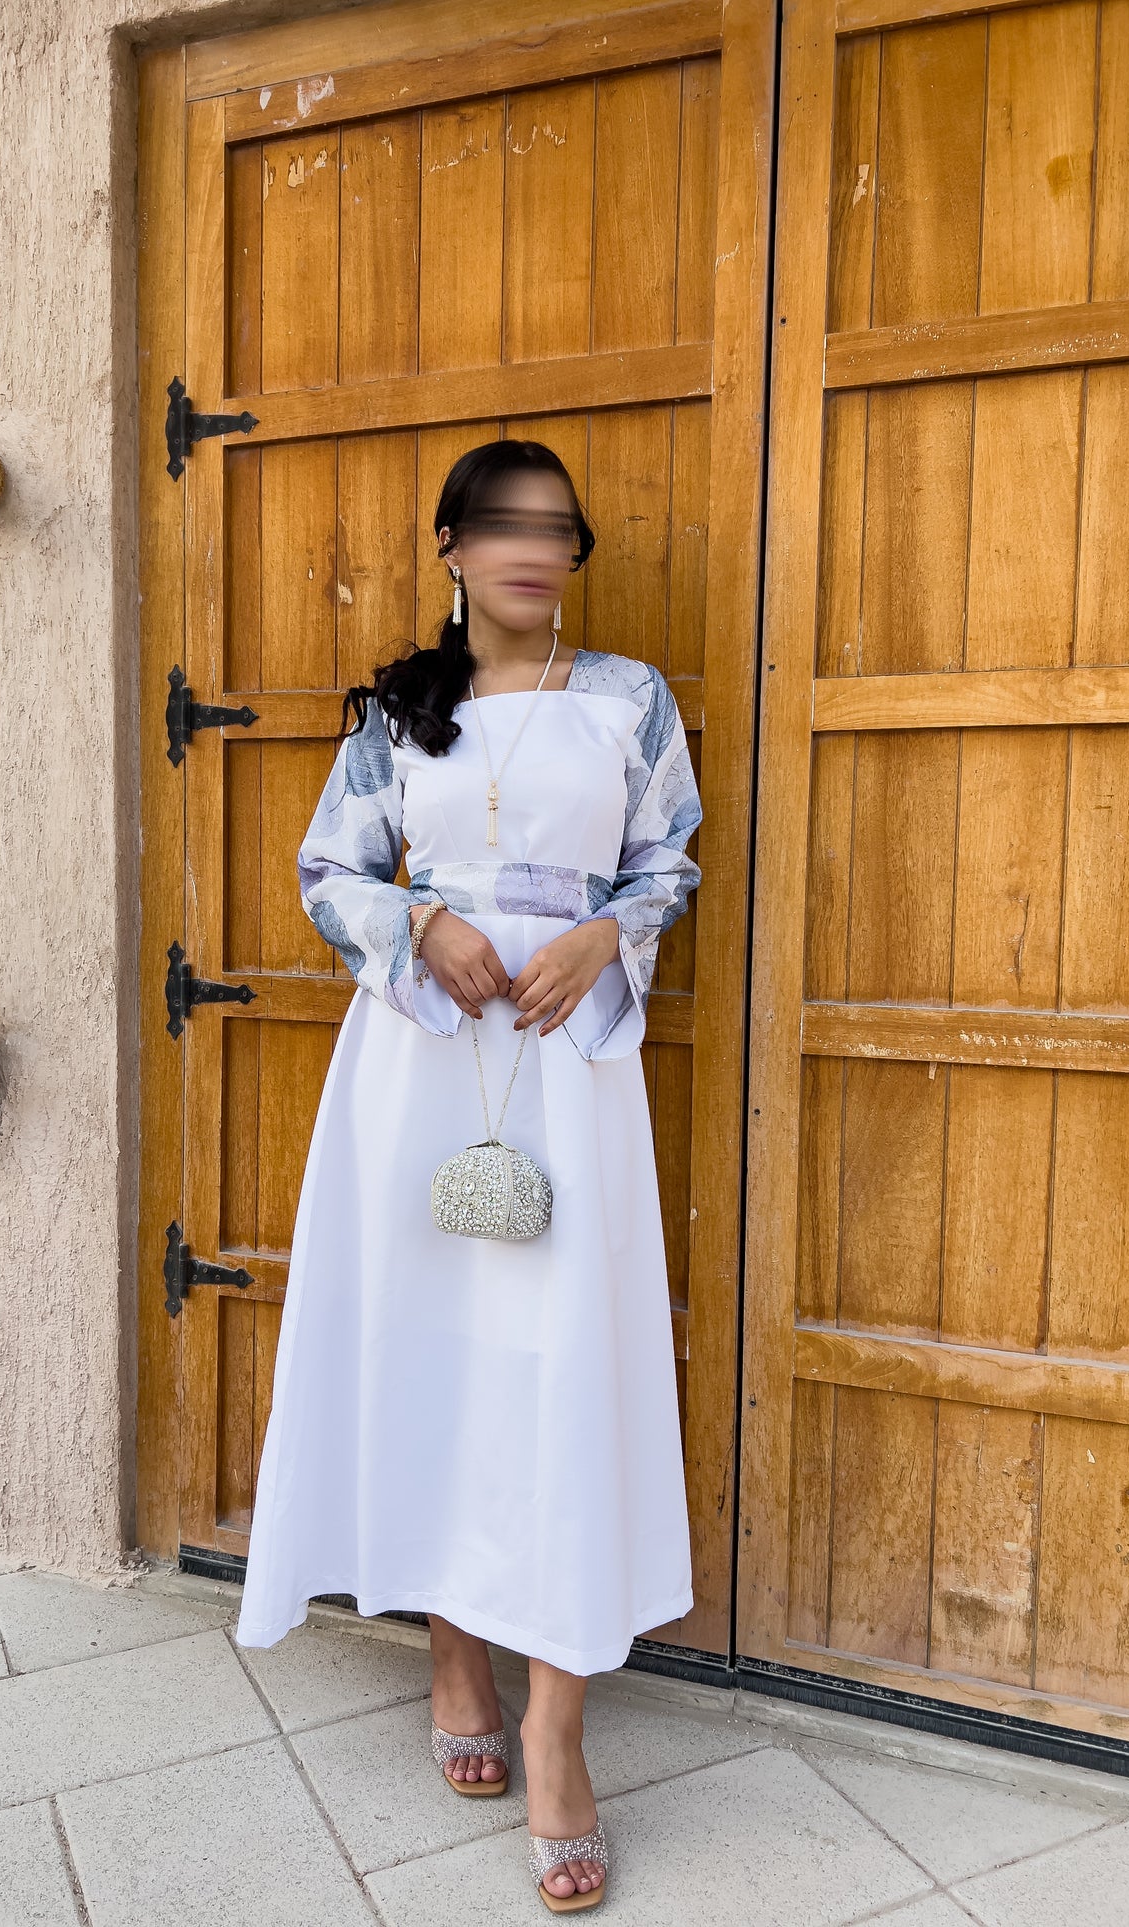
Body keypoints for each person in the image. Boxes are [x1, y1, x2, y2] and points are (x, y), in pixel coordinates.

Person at [234, 437, 703, 1912]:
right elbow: (329, 871)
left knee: (561, 1362)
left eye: (554, 529)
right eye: (498, 526)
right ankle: (454, 1659)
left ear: (573, 554)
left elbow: (666, 861)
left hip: (565, 1061)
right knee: (432, 1350)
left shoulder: (627, 702)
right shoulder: (394, 715)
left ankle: (557, 1726)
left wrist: (600, 940)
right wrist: (421, 925)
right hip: (418, 1065)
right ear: (448, 547)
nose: (527, 550)